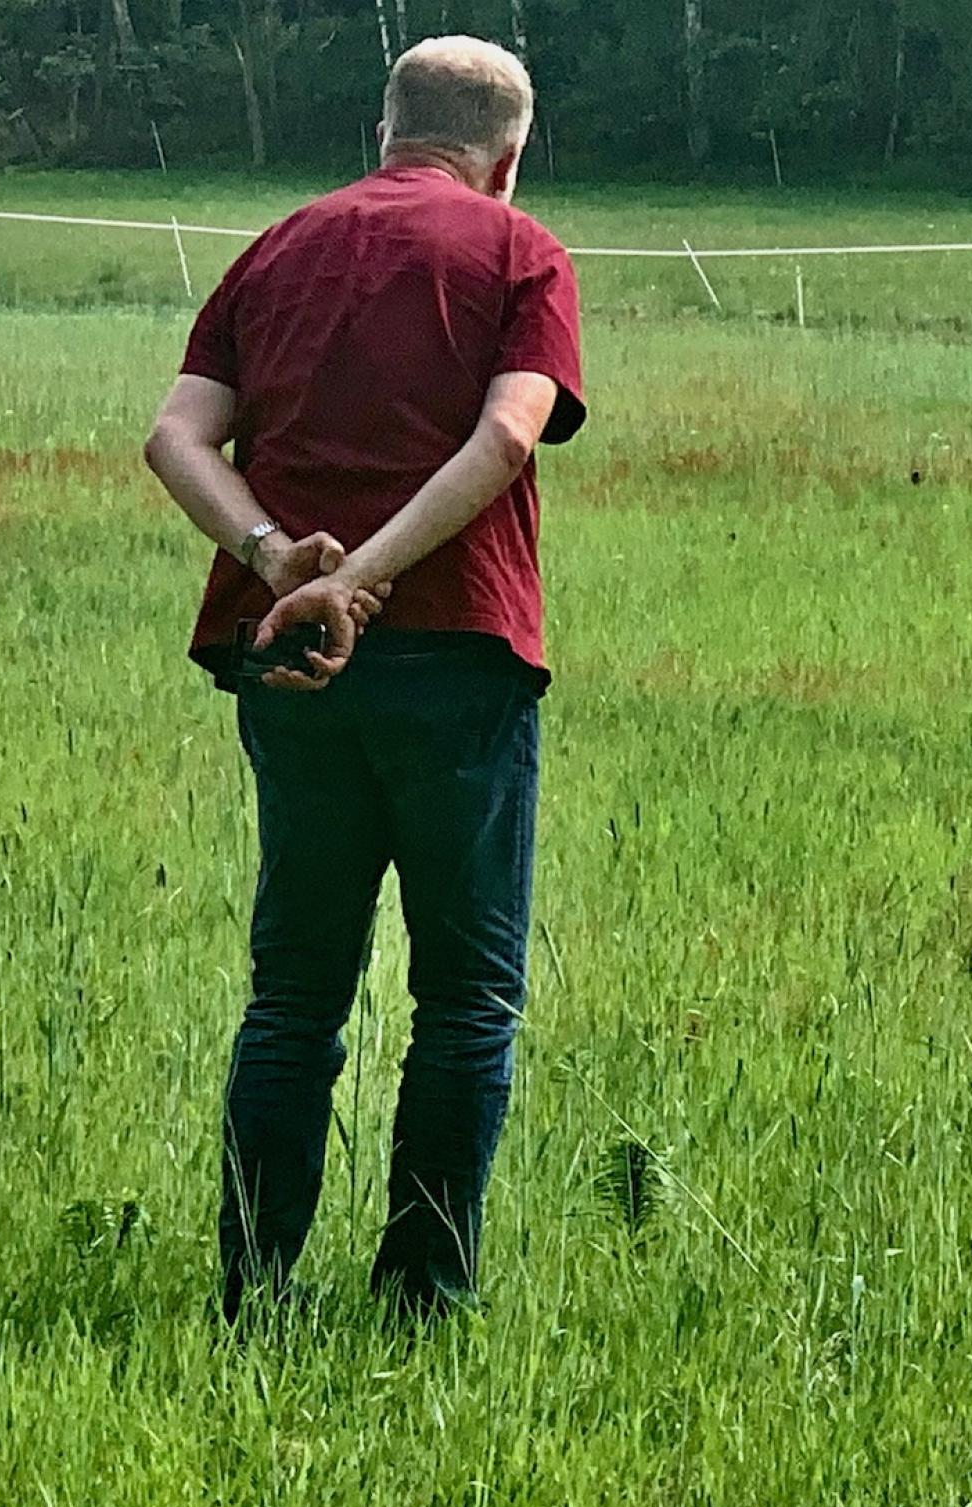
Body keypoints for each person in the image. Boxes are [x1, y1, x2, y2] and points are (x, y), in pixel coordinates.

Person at [141, 33, 587, 1325]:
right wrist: (368, 576)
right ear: (509, 156)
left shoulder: (277, 248)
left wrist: (284, 564)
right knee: (466, 997)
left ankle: (256, 1288)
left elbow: (175, 436)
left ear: (382, 131)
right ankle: (420, 1299)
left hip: (290, 668)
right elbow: (509, 433)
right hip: (458, 649)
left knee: (294, 993)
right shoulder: (520, 253)